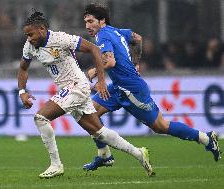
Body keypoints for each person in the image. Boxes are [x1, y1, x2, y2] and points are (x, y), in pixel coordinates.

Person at [83, 4, 222, 171]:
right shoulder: (116, 31)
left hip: (131, 89)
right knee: (88, 112)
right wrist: (135, 62)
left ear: (102, 20)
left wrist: (93, 70)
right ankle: (104, 155)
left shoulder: (103, 35)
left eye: (91, 21)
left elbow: (110, 61)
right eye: (85, 22)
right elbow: (137, 38)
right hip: (119, 87)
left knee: (160, 126)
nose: (87, 26)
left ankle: (206, 139)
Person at [17, 11, 155, 179]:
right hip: (67, 89)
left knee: (40, 118)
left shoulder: (61, 39)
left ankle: (56, 165)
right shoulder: (30, 46)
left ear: (42, 29)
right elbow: (23, 68)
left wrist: (102, 80)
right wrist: (22, 91)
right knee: (99, 133)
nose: (29, 38)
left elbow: (94, 49)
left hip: (77, 86)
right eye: (26, 35)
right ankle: (139, 154)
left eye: (31, 34)